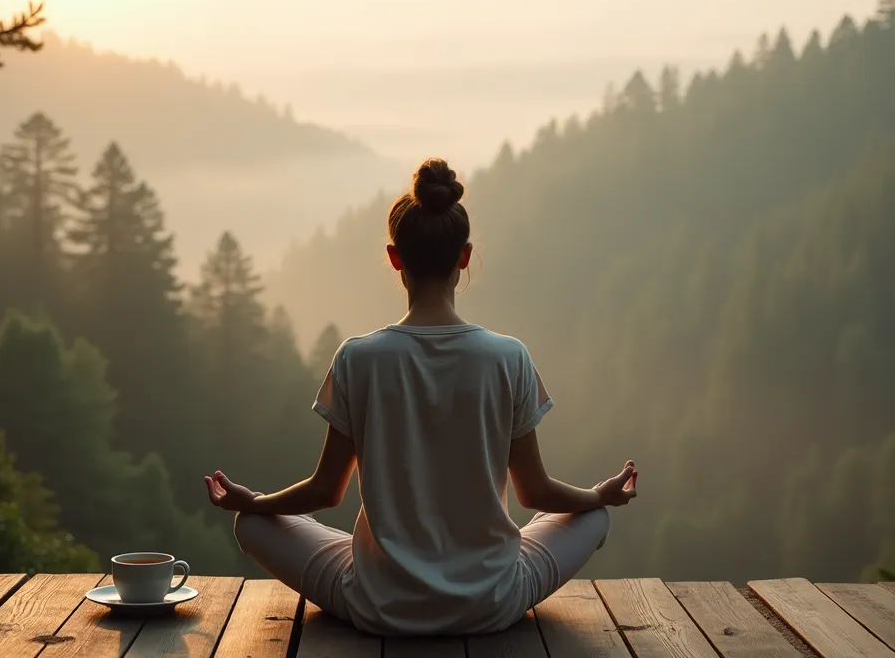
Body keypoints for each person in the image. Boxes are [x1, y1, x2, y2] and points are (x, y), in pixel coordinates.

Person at [202, 158, 637, 636]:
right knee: (593, 518)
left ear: (395, 257)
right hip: (492, 602)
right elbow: (536, 492)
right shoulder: (508, 357)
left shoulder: (358, 358)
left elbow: (326, 492)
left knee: (251, 524)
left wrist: (256, 502)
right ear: (465, 256)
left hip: (378, 606)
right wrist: (600, 495)